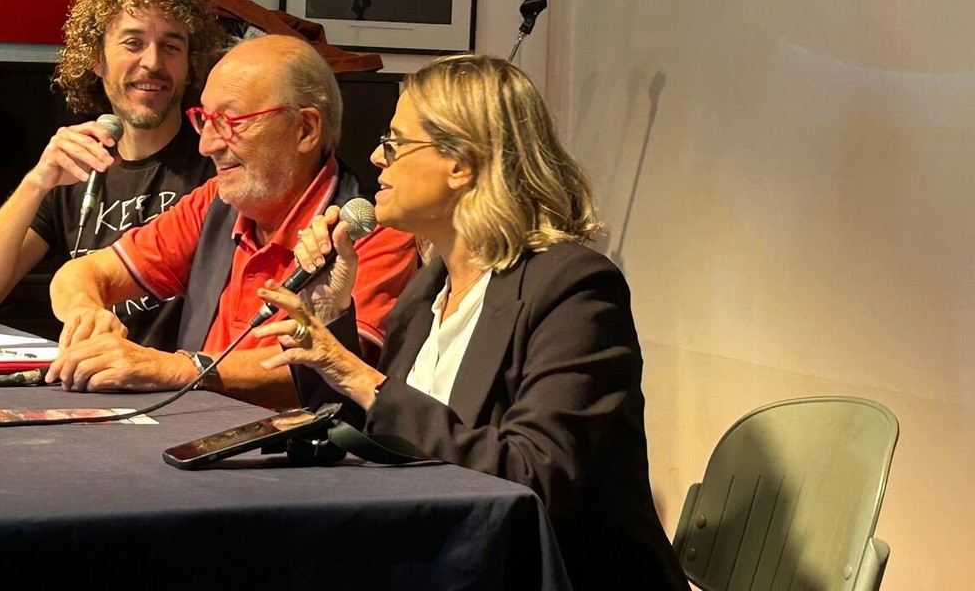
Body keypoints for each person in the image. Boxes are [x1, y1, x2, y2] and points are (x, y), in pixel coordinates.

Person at [251, 54, 689, 589]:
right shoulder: (426, 292)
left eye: (395, 142)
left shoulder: (574, 289)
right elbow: (374, 441)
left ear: (460, 164)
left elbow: (532, 477)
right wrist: (331, 313)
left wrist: (360, 376)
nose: (376, 156)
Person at [45, 34, 418, 410]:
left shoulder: (369, 232)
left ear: (305, 129)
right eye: (204, 120)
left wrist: (176, 369)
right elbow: (81, 274)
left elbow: (340, 369)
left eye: (228, 121)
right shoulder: (214, 203)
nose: (206, 145)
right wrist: (85, 312)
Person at [0, 0, 224, 351]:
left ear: (189, 63)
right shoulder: (77, 163)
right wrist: (37, 182)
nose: (153, 62)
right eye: (133, 43)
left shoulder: (217, 160)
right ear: (97, 60)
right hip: (89, 377)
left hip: (180, 381)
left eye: (171, 46)